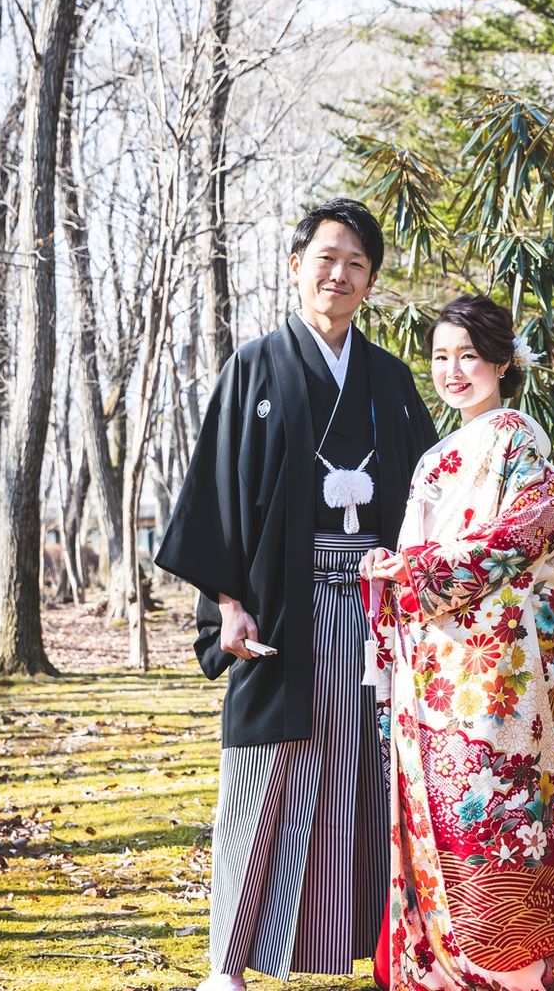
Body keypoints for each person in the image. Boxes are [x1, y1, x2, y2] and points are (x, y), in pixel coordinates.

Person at [155, 198, 437, 991]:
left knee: (369, 775)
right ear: (295, 267)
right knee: (263, 775)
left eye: (356, 264)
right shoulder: (255, 367)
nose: (339, 275)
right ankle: (226, 964)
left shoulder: (390, 379)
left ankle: (393, 954)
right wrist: (226, 602)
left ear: (370, 282)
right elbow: (216, 491)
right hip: (282, 604)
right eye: (326, 259)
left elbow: (429, 493)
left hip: (377, 609)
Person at [361, 295, 554, 991]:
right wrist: (394, 568)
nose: (453, 371)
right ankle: (445, 963)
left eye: (469, 356)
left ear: (503, 363)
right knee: (433, 803)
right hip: (432, 658)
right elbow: (427, 550)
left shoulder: (514, 438)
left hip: (489, 666)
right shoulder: (437, 454)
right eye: (441, 357)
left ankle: (516, 971)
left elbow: (538, 524)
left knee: (490, 803)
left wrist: (421, 570)